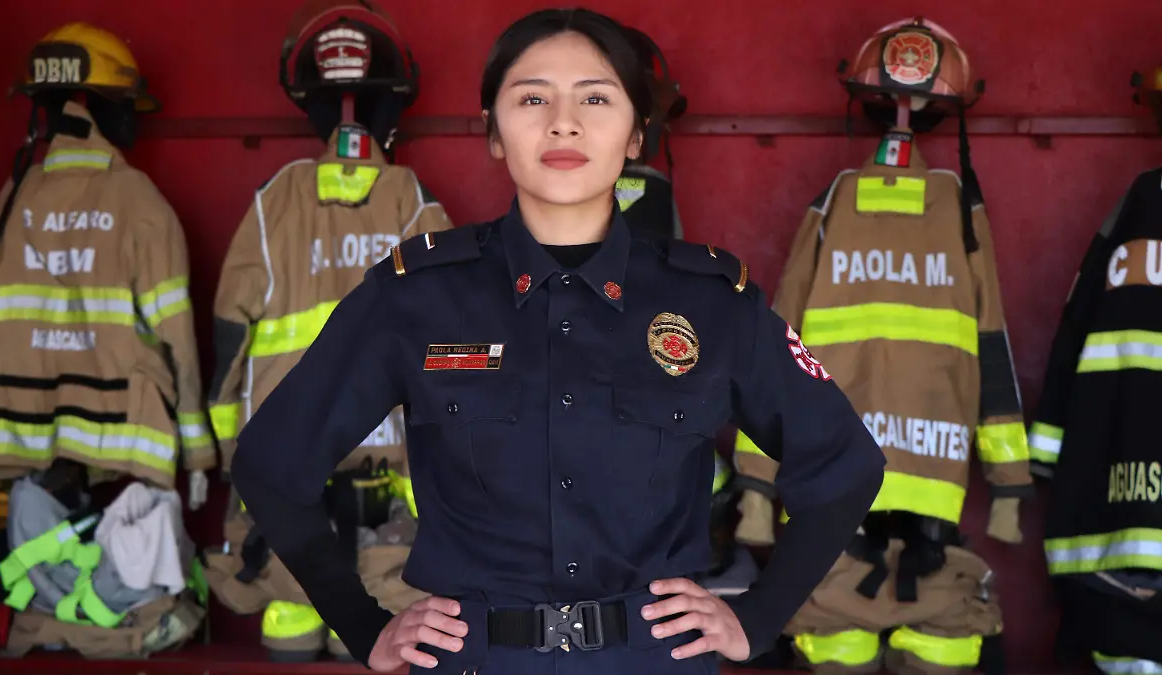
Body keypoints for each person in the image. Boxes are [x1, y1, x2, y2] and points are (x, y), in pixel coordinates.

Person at [230, 7, 886, 675]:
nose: (563, 121)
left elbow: (846, 465)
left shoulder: (710, 302)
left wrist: (756, 617)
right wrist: (364, 625)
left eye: (596, 98)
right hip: (475, 659)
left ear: (636, 135)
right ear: (493, 131)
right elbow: (271, 464)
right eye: (532, 97)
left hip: (654, 659)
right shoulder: (417, 296)